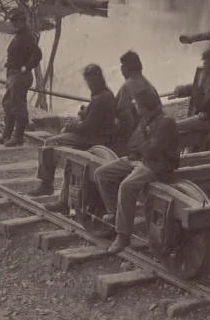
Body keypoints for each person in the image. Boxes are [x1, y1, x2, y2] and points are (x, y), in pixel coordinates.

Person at [95, 88, 180, 253]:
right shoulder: (146, 119)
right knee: (101, 173)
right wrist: (139, 147)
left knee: (126, 186)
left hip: (158, 165)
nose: (136, 109)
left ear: (147, 107)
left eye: (139, 106)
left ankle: (123, 236)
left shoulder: (165, 122)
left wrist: (141, 140)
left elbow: (151, 151)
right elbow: (132, 144)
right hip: (140, 159)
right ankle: (114, 212)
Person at [33, 64, 117, 205]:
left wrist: (68, 128)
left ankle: (46, 184)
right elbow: (94, 117)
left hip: (92, 138)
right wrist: (85, 112)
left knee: (50, 142)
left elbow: (87, 127)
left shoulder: (100, 98)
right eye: (88, 80)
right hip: (100, 136)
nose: (89, 84)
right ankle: (63, 202)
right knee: (69, 163)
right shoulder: (106, 94)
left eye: (91, 80)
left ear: (97, 79)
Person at [0, 7, 43, 147]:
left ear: (22, 22)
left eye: (16, 22)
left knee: (18, 106)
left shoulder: (27, 36)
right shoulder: (19, 35)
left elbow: (37, 54)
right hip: (13, 74)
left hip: (19, 75)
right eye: (13, 22)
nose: (14, 24)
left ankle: (17, 137)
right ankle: (6, 134)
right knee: (8, 104)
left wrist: (27, 67)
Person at [114, 50, 159, 154]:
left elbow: (124, 116)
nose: (120, 69)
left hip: (141, 137)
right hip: (154, 132)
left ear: (126, 67)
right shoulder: (147, 84)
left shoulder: (128, 85)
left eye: (122, 65)